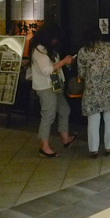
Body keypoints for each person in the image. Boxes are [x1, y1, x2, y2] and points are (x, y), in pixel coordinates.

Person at [29, 23, 76, 158]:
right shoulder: (39, 50)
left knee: (64, 110)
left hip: (55, 84)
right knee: (48, 115)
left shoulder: (47, 48)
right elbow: (47, 70)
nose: (56, 41)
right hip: (45, 87)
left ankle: (65, 138)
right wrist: (64, 61)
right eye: (55, 38)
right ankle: (44, 147)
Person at [78, 26, 110, 158]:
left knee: (93, 120)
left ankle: (93, 149)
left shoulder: (83, 51)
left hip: (92, 90)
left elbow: (81, 73)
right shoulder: (109, 47)